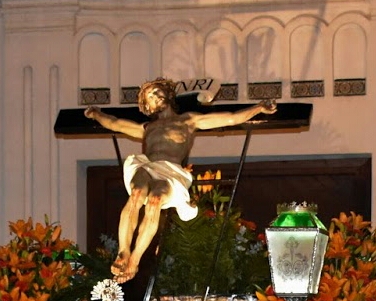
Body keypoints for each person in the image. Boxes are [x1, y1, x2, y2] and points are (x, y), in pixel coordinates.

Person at [84, 77, 275, 282]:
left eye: (157, 91)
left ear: (168, 94)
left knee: (155, 201)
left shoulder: (188, 121)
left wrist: (258, 108)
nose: (155, 96)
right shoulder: (146, 128)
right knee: (137, 193)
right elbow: (115, 123)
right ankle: (123, 251)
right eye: (150, 96)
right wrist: (96, 114)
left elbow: (230, 118)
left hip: (171, 172)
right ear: (147, 107)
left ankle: (135, 260)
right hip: (147, 166)